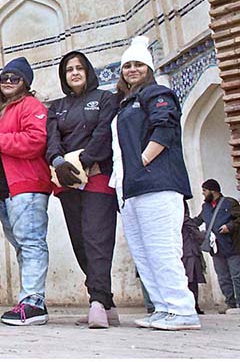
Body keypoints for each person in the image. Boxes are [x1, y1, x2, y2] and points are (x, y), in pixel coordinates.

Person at [110, 36, 200, 331]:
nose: (132, 70)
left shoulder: (157, 93)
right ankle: (163, 307)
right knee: (143, 252)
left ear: (148, 68)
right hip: (133, 188)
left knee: (162, 248)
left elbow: (165, 127)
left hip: (157, 184)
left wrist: (143, 162)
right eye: (127, 66)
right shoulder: (127, 102)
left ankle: (182, 309)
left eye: (138, 65)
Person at [0, 57, 53, 326]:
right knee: (21, 244)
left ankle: (33, 302)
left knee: (31, 242)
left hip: (27, 184)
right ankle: (28, 299)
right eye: (4, 77)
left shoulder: (31, 106)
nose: (8, 82)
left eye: (15, 78)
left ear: (26, 82)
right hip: (4, 189)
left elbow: (36, 141)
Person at [45, 50, 119, 329]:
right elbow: (52, 139)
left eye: (79, 68)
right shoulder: (57, 107)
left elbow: (104, 134)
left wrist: (84, 162)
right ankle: (106, 302)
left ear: (88, 71)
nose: (74, 73)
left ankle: (97, 302)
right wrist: (57, 161)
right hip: (67, 181)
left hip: (96, 177)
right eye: (68, 70)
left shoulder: (105, 99)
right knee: (80, 241)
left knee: (97, 239)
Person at [194, 179, 240, 314]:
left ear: (213, 191)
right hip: (216, 249)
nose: (203, 193)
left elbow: (239, 218)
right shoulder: (205, 207)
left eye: (204, 191)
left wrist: (229, 227)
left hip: (232, 246)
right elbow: (197, 220)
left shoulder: (230, 203)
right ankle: (230, 303)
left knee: (237, 275)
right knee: (223, 277)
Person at [182, 201, 206, 315]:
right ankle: (193, 305)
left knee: (190, 281)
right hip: (189, 253)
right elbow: (197, 234)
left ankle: (192, 305)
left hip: (187, 252)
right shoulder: (186, 221)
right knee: (191, 281)